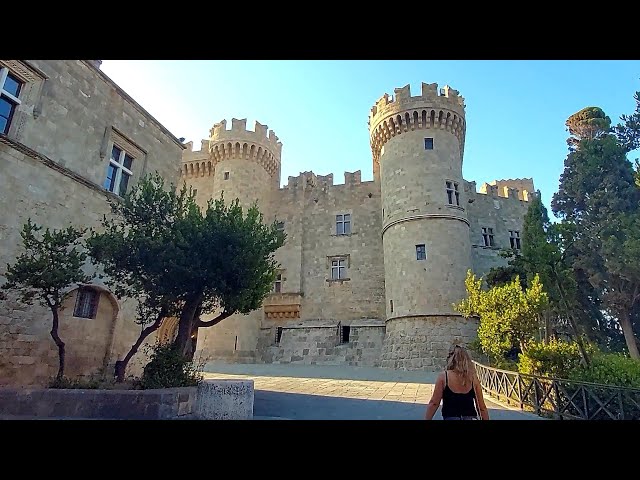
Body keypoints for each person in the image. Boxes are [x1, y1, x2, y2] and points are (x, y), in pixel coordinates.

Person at [424, 344, 490, 420]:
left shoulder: (444, 377)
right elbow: (481, 407)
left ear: (451, 359)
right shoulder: (473, 378)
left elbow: (434, 403)